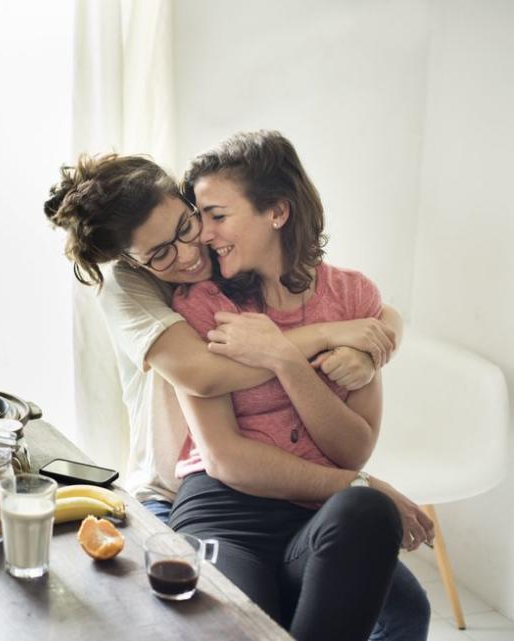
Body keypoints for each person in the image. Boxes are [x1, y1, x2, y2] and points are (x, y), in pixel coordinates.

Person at [43, 143, 431, 641]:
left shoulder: (331, 293)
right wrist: (307, 344)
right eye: (160, 254)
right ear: (134, 261)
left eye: (192, 225)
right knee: (236, 623)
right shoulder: (150, 291)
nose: (190, 251)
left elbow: (370, 324)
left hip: (305, 503)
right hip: (185, 490)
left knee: (402, 604)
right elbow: (206, 380)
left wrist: (375, 340)